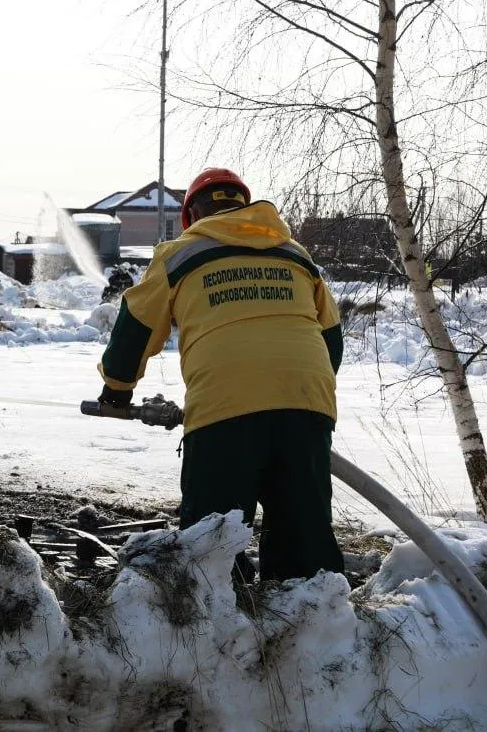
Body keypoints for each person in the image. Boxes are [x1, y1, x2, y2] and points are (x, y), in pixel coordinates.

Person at [95, 168, 344, 582]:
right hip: (306, 401)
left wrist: (116, 391)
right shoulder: (296, 255)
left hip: (223, 410)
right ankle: (311, 628)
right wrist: (301, 397)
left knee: (208, 546)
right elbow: (330, 338)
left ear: (191, 217)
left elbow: (136, 325)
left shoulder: (180, 254)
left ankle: (214, 629)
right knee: (304, 540)